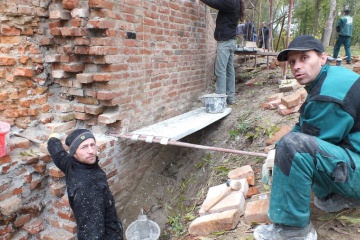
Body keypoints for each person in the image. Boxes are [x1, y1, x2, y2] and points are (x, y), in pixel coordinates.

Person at [254, 35, 360, 240]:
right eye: (292, 62)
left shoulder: (329, 94)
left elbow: (307, 143)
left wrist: (282, 152)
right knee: (296, 147)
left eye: (304, 58)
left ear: (322, 58)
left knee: (295, 149)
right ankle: (338, 195)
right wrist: (275, 149)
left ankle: (292, 230)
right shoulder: (329, 78)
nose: (296, 66)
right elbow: (306, 125)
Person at [47, 129, 123, 240]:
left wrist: (53, 139)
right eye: (84, 147)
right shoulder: (89, 187)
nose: (91, 151)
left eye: (92, 145)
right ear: (74, 153)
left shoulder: (71, 164)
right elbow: (92, 234)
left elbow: (58, 154)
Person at [199, 0, 245, 105]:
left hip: (225, 42)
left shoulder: (231, 3)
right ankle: (231, 98)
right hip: (230, 41)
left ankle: (220, 100)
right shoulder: (235, 3)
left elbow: (215, 3)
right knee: (229, 71)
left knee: (220, 70)